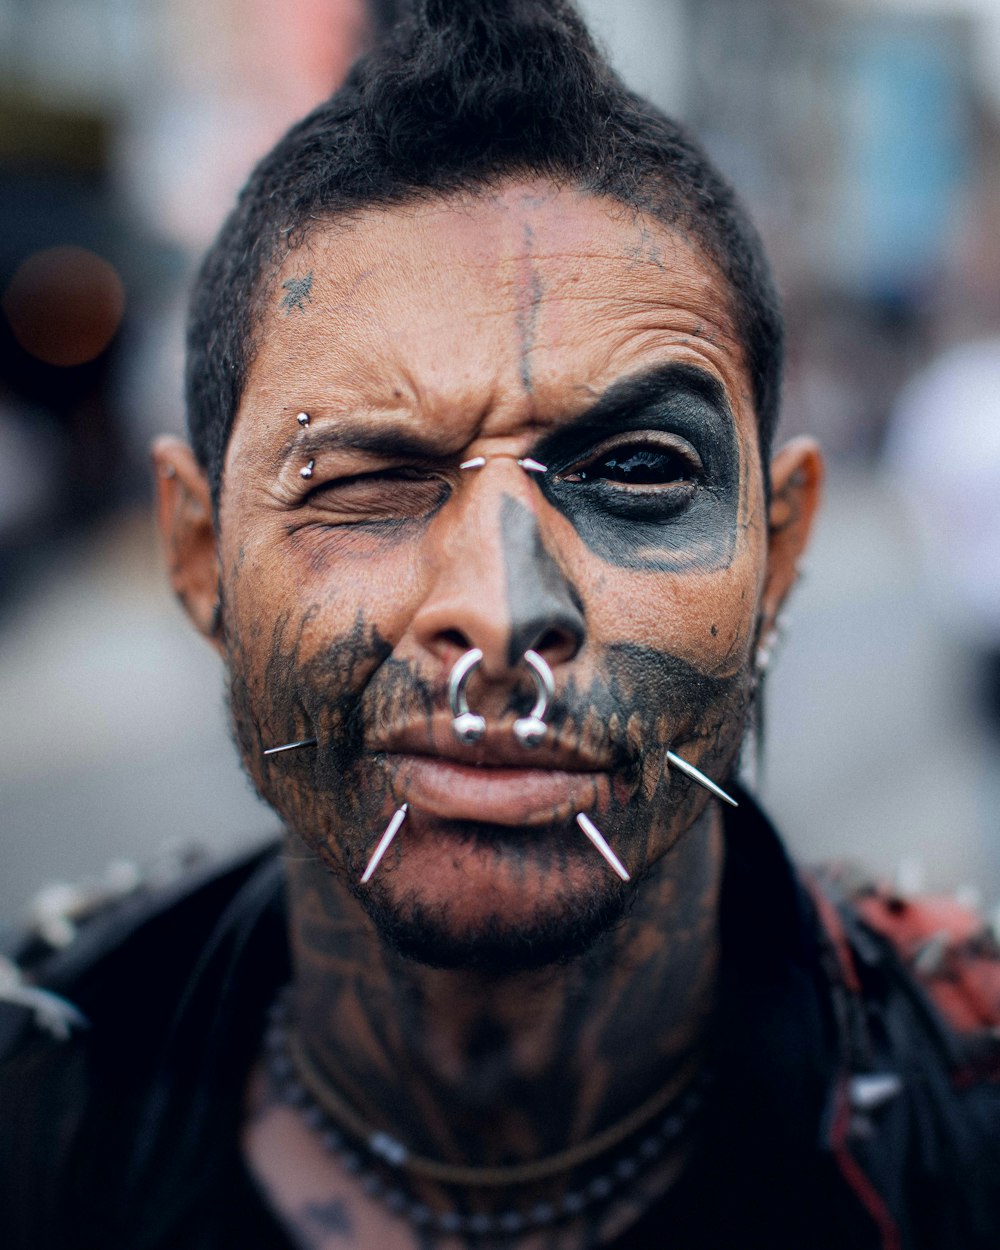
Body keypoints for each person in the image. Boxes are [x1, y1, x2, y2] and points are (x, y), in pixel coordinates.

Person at [2, 3, 999, 1247]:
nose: (498, 606)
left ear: (780, 549)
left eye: (636, 471)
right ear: (200, 553)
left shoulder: (970, 1120)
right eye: (364, 479)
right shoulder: (37, 1109)